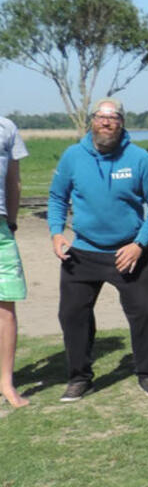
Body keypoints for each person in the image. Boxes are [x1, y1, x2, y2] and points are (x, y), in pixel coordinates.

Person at [47, 99, 148, 401]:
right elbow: (57, 197)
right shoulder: (73, 156)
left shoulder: (139, 158)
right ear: (92, 121)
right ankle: (79, 378)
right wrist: (56, 232)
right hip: (83, 251)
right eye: (101, 117)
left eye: (113, 117)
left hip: (129, 251)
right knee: (72, 314)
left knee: (145, 313)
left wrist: (139, 244)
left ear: (121, 122)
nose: (106, 122)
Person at [0, 116, 29, 408]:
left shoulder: (6, 128)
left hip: (1, 229)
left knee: (6, 310)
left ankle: (6, 383)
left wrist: (11, 221)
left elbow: (14, 181)